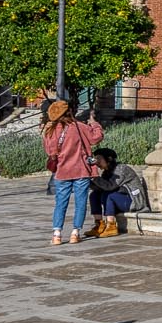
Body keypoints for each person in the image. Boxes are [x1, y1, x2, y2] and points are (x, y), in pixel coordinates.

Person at [42, 98, 104, 245]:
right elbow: (96, 138)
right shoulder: (78, 126)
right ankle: (75, 233)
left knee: (60, 203)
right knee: (80, 202)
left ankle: (57, 234)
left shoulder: (50, 130)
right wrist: (94, 123)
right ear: (69, 111)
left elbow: (50, 151)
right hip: (81, 170)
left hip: (62, 172)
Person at [88, 146, 148, 236]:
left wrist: (94, 176)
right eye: (95, 159)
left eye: (99, 159)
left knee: (109, 195)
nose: (97, 162)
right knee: (94, 195)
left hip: (134, 202)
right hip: (121, 199)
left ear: (109, 159)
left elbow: (110, 187)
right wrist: (88, 179)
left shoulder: (121, 169)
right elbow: (100, 188)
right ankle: (99, 225)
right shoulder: (107, 172)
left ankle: (111, 226)